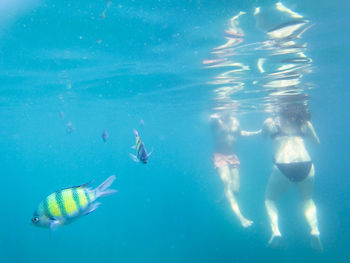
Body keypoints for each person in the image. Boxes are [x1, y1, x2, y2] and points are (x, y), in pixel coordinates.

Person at [262, 104, 322, 250]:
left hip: (284, 165)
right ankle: (315, 230)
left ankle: (276, 230)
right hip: (306, 164)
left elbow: (263, 137)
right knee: (307, 200)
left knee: (269, 200)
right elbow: (317, 143)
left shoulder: (271, 122)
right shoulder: (304, 123)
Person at [211, 112, 261, 228]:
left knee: (236, 190)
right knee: (228, 186)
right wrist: (219, 112)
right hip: (220, 156)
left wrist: (256, 133)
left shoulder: (235, 121)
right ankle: (241, 218)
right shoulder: (216, 121)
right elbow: (212, 117)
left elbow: (240, 133)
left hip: (232, 156)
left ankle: (225, 194)